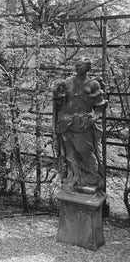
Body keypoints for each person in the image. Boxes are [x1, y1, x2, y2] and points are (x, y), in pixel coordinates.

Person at [53, 57, 106, 190]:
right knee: (70, 153)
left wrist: (94, 118)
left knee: (85, 151)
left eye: (81, 65)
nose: (77, 68)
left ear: (88, 67)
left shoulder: (94, 84)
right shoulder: (68, 82)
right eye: (76, 65)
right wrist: (58, 96)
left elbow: (100, 105)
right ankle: (75, 176)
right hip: (67, 122)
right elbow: (60, 103)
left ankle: (93, 177)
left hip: (84, 124)